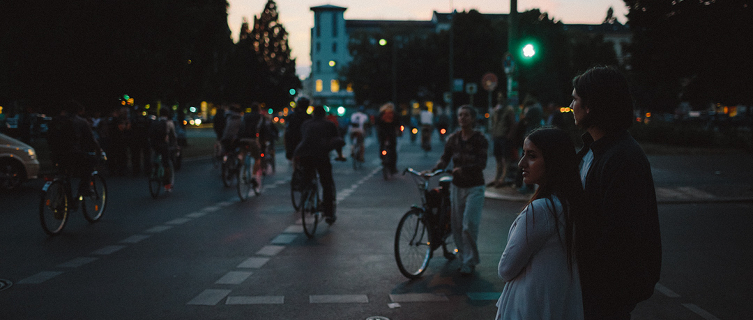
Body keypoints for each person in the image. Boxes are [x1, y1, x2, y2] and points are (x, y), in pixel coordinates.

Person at [572, 66, 661, 320]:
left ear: (590, 106)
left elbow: (619, 237)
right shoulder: (592, 150)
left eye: (575, 99)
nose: (571, 106)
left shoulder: (623, 158)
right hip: (593, 286)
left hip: (606, 290)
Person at [496, 128, 586, 320]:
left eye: (532, 156)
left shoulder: (541, 210)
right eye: (523, 154)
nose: (521, 163)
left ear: (553, 162)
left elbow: (505, 269)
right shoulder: (571, 204)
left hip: (528, 308)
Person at [427, 105, 488, 276]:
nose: (462, 118)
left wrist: (463, 169)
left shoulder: (480, 139)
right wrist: (432, 171)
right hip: (457, 186)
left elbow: (481, 163)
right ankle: (463, 259)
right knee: (456, 225)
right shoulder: (452, 139)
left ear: (473, 119)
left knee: (469, 225)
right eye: (460, 115)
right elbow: (445, 159)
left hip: (475, 187)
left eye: (466, 115)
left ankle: (470, 261)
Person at [294, 105, 346, 224]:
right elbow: (336, 140)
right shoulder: (329, 124)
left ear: (313, 114)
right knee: (326, 183)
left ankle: (306, 192)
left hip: (304, 154)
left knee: (307, 176)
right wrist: (340, 155)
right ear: (324, 115)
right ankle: (328, 213)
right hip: (321, 155)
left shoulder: (306, 124)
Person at [47, 100, 101, 197]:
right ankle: (85, 188)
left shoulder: (56, 120)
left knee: (63, 173)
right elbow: (92, 140)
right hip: (73, 153)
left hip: (56, 153)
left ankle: (62, 197)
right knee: (90, 162)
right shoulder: (81, 122)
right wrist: (99, 151)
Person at [488, 98, 516, 188]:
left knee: (506, 158)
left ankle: (503, 178)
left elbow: (512, 123)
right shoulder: (496, 110)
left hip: (504, 137)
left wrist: (509, 135)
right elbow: (493, 123)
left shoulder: (508, 110)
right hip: (497, 136)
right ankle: (497, 177)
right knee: (498, 158)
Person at [148, 107, 178, 192]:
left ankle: (154, 169)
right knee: (166, 164)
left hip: (154, 144)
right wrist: (176, 145)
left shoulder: (155, 122)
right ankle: (167, 184)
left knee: (156, 158)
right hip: (164, 145)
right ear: (167, 114)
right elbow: (173, 135)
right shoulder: (169, 123)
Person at [375, 102, 400, 174]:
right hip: (391, 133)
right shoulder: (394, 114)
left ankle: (382, 158)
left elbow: (377, 123)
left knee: (382, 145)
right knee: (393, 149)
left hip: (382, 133)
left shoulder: (381, 114)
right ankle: (393, 167)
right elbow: (398, 123)